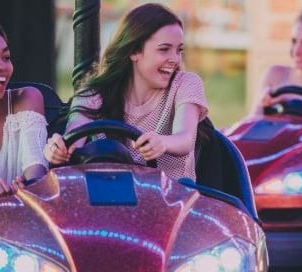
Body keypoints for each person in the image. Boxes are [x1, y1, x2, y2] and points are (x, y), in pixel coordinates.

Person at [43, 3, 208, 180]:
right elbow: (73, 140)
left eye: (179, 50)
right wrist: (58, 150)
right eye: (164, 49)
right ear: (134, 51)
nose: (174, 59)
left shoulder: (185, 83)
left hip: (170, 199)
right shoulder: (93, 95)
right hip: (110, 200)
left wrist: (163, 142)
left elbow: (185, 138)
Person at [0, 19, 48, 200]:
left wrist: (28, 187)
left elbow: (36, 170)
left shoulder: (28, 99)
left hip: (20, 223)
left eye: (6, 57)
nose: (2, 66)